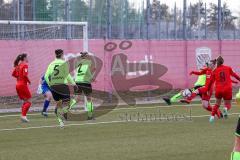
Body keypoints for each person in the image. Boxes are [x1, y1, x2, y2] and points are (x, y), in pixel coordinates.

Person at [45, 49, 76, 128]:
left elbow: (46, 76)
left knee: (58, 105)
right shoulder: (64, 63)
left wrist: (50, 84)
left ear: (55, 55)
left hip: (54, 87)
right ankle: (64, 113)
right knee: (70, 101)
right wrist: (74, 84)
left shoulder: (51, 64)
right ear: (62, 55)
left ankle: (61, 122)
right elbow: (67, 75)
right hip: (62, 86)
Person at [209, 56, 240, 123]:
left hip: (218, 89)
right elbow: (235, 75)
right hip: (227, 89)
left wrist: (208, 89)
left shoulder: (214, 71)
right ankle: (225, 109)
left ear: (217, 63)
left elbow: (211, 81)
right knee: (228, 104)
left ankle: (212, 117)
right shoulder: (228, 68)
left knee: (217, 104)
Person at [75, 52, 96, 120]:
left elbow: (83, 71)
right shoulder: (88, 61)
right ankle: (90, 115)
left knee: (77, 99)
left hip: (78, 81)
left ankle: (65, 110)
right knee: (89, 99)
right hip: (85, 82)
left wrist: (91, 72)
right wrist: (92, 77)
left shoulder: (78, 62)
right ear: (86, 56)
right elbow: (87, 71)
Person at [12, 53, 32, 122]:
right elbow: (25, 75)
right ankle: (23, 116)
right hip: (22, 85)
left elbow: (13, 74)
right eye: (27, 57)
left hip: (17, 85)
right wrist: (29, 82)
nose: (28, 58)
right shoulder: (25, 65)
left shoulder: (18, 65)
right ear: (24, 58)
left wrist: (19, 78)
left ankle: (23, 117)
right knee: (29, 101)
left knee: (25, 101)